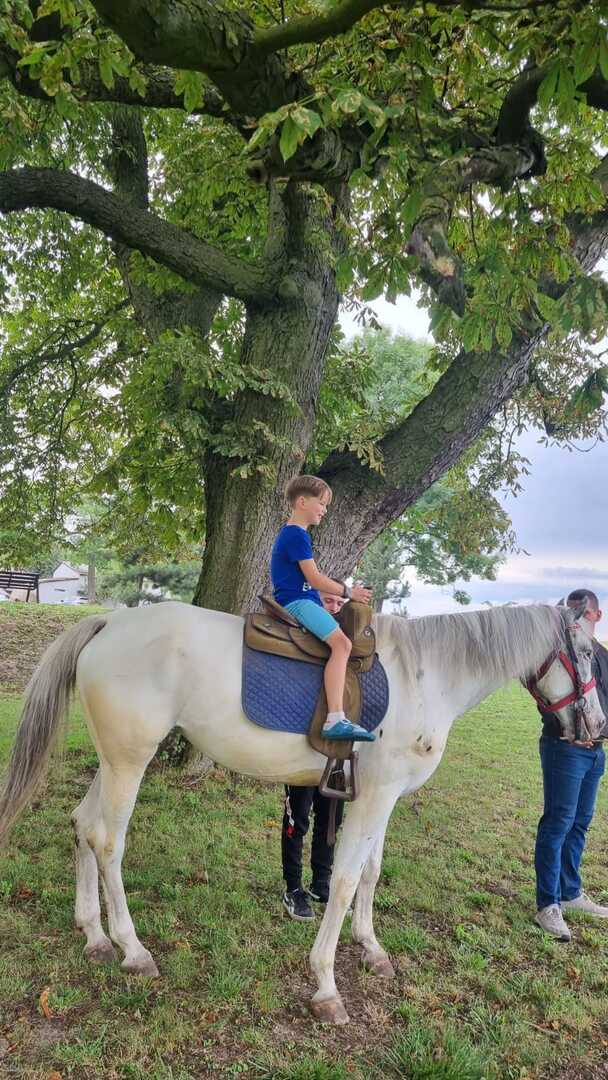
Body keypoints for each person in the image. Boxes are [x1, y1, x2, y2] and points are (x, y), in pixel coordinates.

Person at [270, 474, 375, 743]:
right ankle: (335, 719)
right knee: (342, 645)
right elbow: (315, 580)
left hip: (304, 600)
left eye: (326, 506)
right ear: (302, 502)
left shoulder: (296, 535)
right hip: (298, 602)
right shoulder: (295, 535)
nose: (324, 510)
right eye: (322, 503)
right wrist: (349, 593)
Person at [535, 589, 608, 940]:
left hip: (595, 752)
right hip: (564, 748)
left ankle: (570, 892)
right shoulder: (558, 650)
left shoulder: (601, 655)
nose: (575, 619)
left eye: (583, 613)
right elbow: (545, 696)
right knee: (558, 824)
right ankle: (548, 904)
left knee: (579, 824)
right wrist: (569, 728)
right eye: (571, 613)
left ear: (597, 616)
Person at [282, 592, 347, 921]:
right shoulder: (299, 646)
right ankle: (293, 886)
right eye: (328, 601)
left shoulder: (346, 648)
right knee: (299, 816)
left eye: (339, 603)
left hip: (337, 751)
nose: (334, 608)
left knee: (331, 817)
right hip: (303, 747)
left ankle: (322, 881)